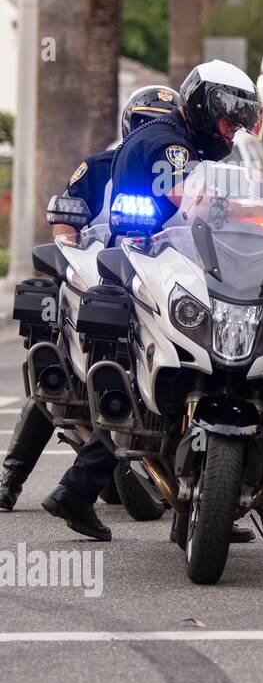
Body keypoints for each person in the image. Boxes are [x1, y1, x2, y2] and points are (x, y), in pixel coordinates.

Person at [40, 62, 263, 542]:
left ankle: (194, 514)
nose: (233, 131)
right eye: (229, 119)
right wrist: (259, 207)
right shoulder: (170, 144)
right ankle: (78, 491)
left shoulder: (170, 138)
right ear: (205, 108)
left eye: (242, 123)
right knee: (155, 397)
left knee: (161, 394)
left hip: (145, 272)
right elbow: (189, 201)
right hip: (148, 277)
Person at [0, 87, 182, 514]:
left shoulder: (183, 174)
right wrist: (76, 266)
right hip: (98, 288)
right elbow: (65, 224)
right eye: (143, 123)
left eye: (162, 124)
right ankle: (11, 478)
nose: (151, 133)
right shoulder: (101, 166)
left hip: (157, 293)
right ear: (128, 126)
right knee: (56, 376)